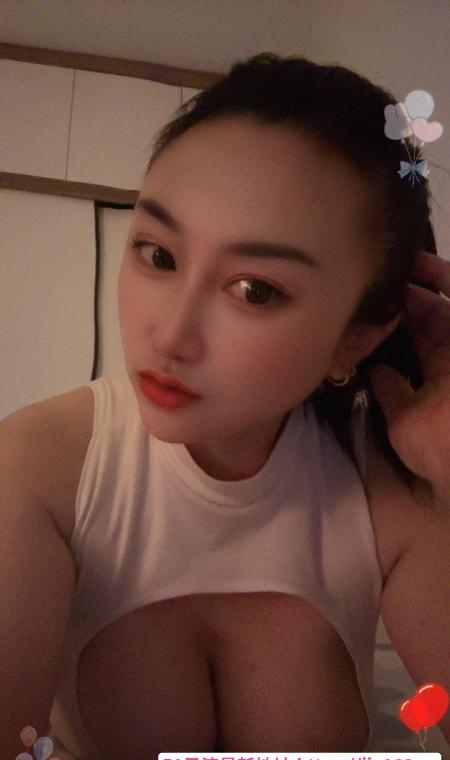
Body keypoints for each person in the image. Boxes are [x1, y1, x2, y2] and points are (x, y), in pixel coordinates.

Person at [1, 53, 449, 759]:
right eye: (158, 255)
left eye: (255, 290)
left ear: (358, 336)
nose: (169, 336)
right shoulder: (36, 467)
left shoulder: (392, 485)